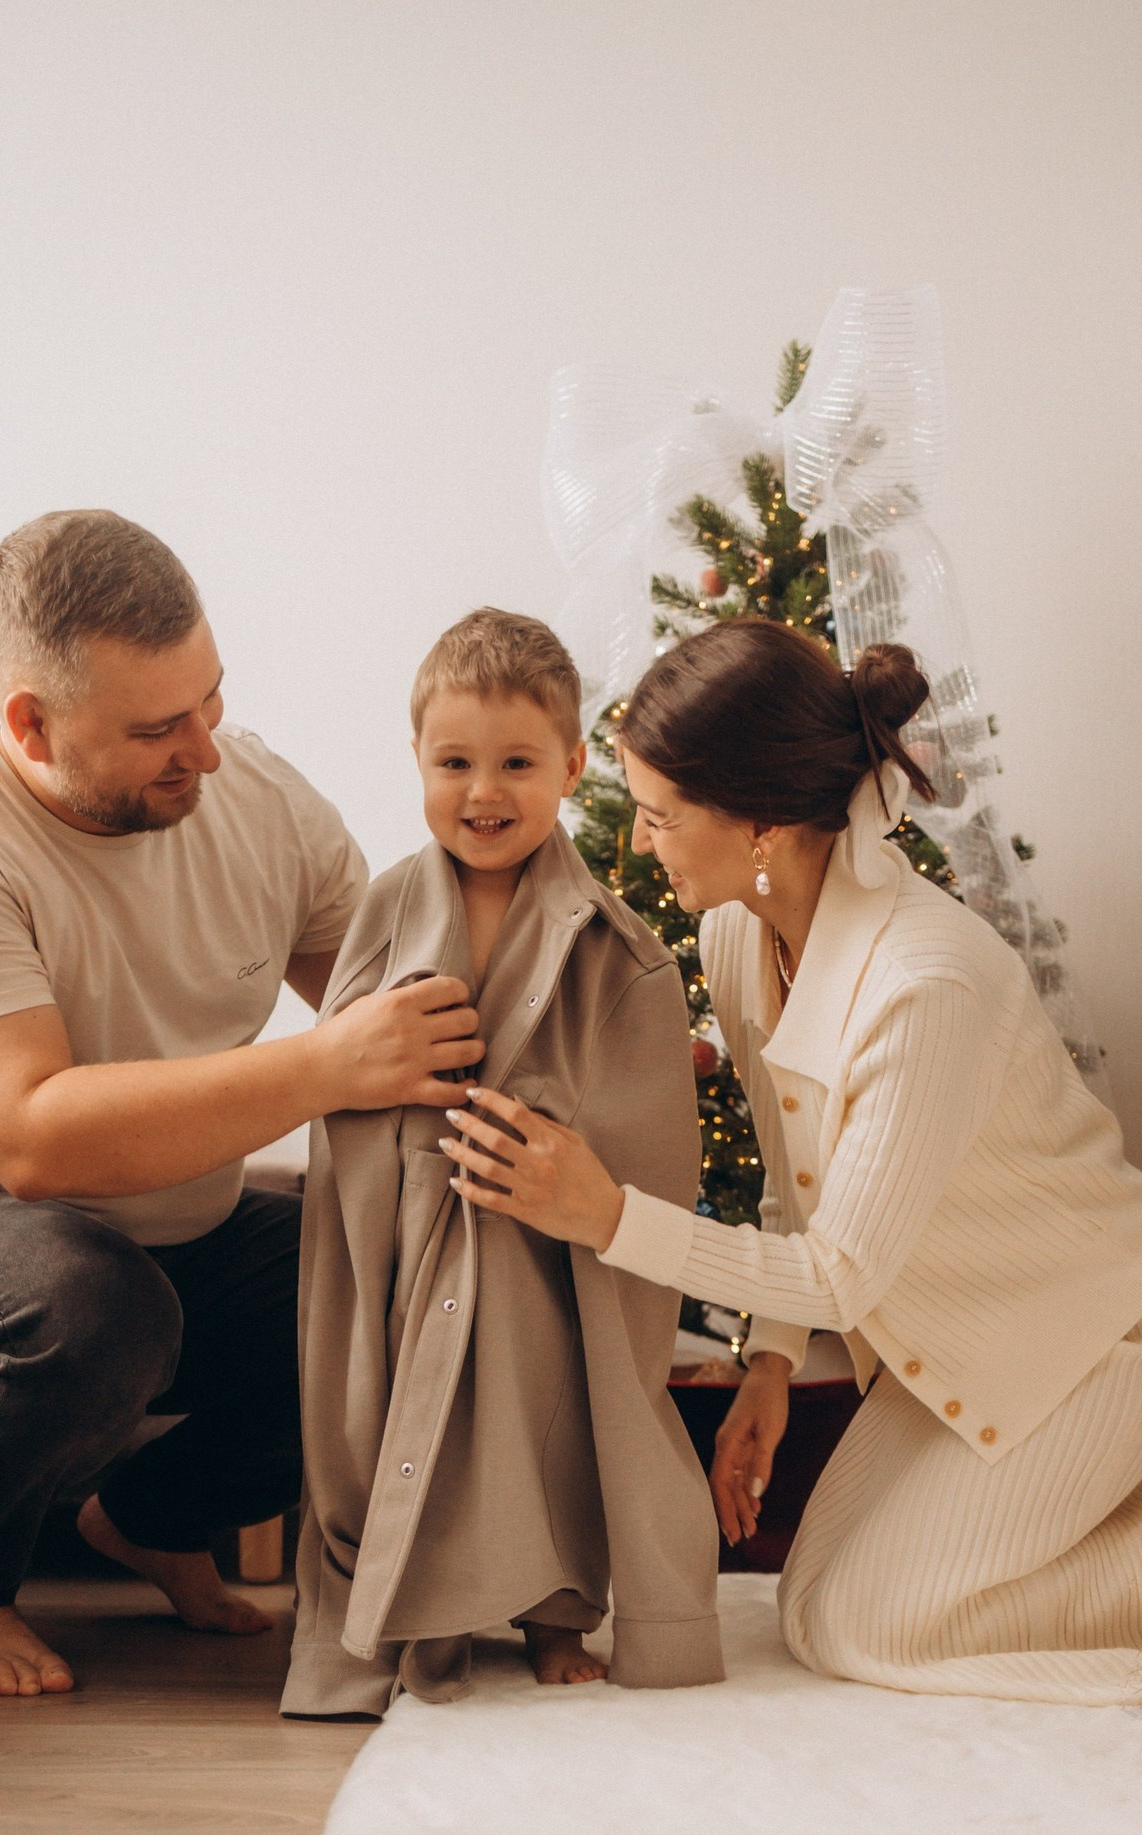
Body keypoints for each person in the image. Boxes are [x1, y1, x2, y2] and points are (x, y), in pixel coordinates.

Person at [441, 617, 1142, 1707]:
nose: (639, 843)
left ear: (759, 824)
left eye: (662, 816)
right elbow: (792, 1174)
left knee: (875, 1630)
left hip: (1085, 1344)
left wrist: (604, 1214)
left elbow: (840, 1275)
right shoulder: (741, 931)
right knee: (815, 1606)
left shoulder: (921, 987)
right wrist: (765, 1362)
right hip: (961, 1343)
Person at [0, 510, 483, 1699]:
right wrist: (324, 1067)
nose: (202, 749)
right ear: (29, 726)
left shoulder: (252, 793)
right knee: (87, 1292)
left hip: (176, 1228)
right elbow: (31, 1138)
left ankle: (151, 1515)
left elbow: (399, 992)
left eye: (208, 701)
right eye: (155, 728)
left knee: (418, 1266)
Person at [280, 610, 722, 1716]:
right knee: (370, 1412)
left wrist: (557, 1146)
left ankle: (554, 1608)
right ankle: (384, 1621)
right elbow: (339, 1080)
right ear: (418, 761)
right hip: (405, 1211)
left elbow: (648, 1139)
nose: (484, 791)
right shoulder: (383, 911)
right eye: (454, 763)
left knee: (551, 1404)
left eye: (518, 763)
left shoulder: (617, 949)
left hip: (542, 1233)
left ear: (573, 766)